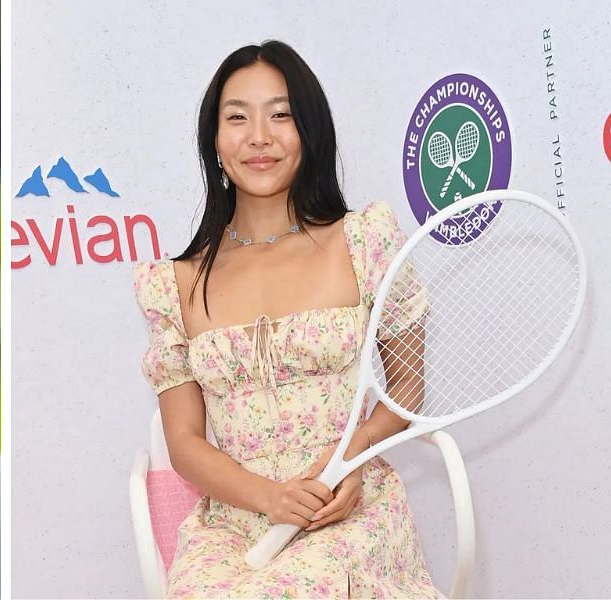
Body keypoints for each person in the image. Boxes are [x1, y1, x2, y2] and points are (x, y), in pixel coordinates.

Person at [132, 40, 436, 597]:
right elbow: (184, 442)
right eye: (237, 118)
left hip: (346, 507)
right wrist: (269, 497)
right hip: (234, 524)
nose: (259, 137)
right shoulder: (171, 283)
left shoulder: (366, 240)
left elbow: (408, 388)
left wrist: (353, 455)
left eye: (281, 115)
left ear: (310, 130)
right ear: (215, 140)